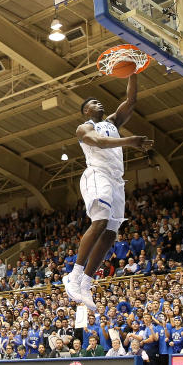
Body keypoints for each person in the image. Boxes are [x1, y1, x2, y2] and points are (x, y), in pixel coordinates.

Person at [64, 76, 153, 311]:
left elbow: (131, 100)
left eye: (99, 101)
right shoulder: (84, 128)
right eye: (93, 103)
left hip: (116, 180)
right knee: (100, 221)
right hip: (97, 174)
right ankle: (74, 275)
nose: (99, 104)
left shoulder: (113, 121)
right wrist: (130, 141)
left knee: (111, 234)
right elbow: (100, 143)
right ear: (85, 111)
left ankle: (86, 284)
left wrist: (133, 72)